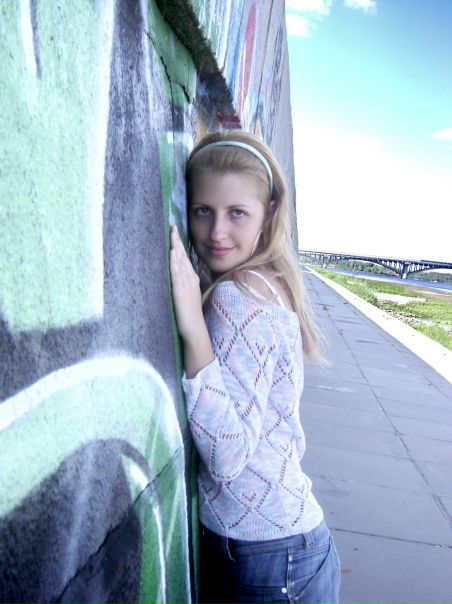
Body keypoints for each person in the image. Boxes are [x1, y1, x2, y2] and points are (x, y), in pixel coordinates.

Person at [169, 130, 340, 604]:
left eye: (237, 213)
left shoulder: (239, 297)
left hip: (269, 557)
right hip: (286, 549)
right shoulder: (269, 284)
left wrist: (193, 327)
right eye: (203, 211)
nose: (216, 232)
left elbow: (228, 457)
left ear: (268, 214)